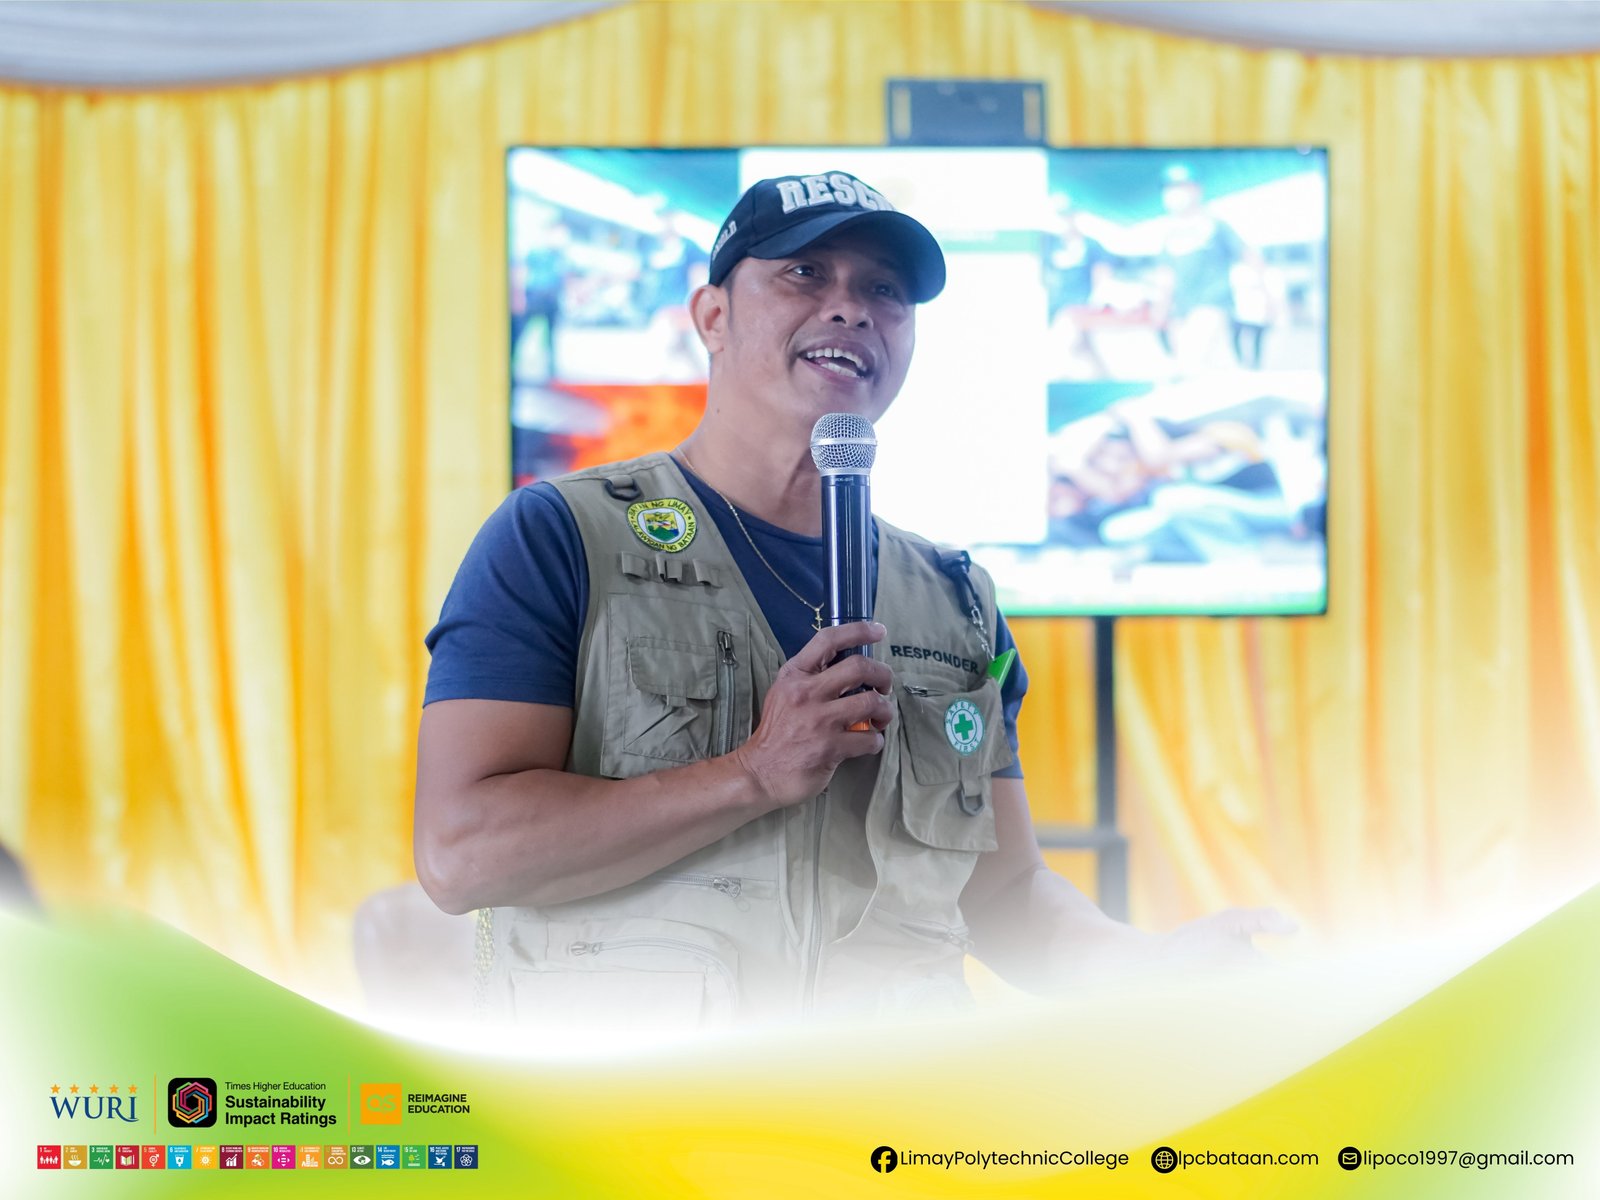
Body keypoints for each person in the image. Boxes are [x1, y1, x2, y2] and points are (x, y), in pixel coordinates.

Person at [416, 170, 1290, 1030]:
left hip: (891, 1105)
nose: (852, 309)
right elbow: (460, 855)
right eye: (806, 273)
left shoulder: (956, 600)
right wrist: (751, 773)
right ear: (712, 316)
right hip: (645, 1105)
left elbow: (1008, 895)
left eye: (885, 290)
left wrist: (1149, 965)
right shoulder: (561, 536)